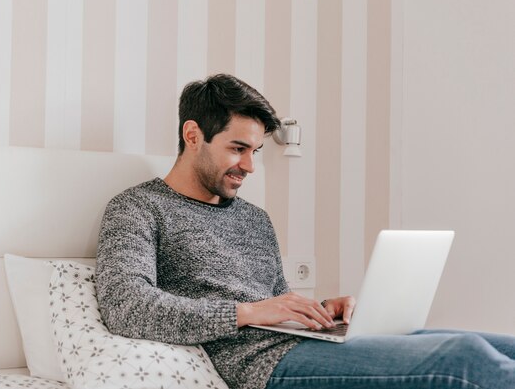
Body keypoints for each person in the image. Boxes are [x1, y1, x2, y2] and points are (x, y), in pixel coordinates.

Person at [95, 74, 515, 389]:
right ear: (193, 135)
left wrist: (318, 311)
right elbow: (125, 305)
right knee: (467, 361)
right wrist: (248, 312)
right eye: (238, 149)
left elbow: (278, 301)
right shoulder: (138, 208)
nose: (250, 166)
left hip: (307, 342)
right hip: (259, 361)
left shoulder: (254, 218)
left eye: (255, 151)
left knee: (501, 347)